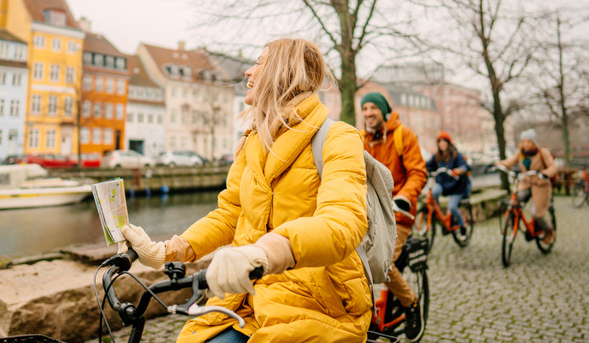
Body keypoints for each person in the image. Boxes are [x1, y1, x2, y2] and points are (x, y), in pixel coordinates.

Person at [122, 38, 371, 342]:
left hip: (315, 301)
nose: (248, 73)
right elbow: (230, 214)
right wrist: (164, 251)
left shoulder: (338, 137)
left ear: (284, 71)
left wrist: (264, 252)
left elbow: (343, 223)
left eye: (259, 62)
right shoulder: (253, 140)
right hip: (247, 297)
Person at [360, 92, 427, 342]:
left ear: (384, 111)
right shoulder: (361, 138)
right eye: (364, 108)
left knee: (383, 264)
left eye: (373, 108)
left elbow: (418, 172)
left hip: (399, 213)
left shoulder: (403, 135)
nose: (368, 113)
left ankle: (411, 303)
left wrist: (405, 197)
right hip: (370, 212)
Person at [495, 128, 557, 244]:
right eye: (523, 141)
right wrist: (498, 164)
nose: (525, 144)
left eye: (528, 141)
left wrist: (545, 173)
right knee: (514, 201)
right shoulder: (521, 153)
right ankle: (511, 223)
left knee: (536, 213)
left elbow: (553, 167)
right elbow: (510, 162)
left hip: (541, 185)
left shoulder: (542, 153)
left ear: (534, 142)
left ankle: (549, 230)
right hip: (526, 183)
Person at [425, 131, 471, 236]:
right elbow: (428, 165)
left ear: (448, 143)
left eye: (444, 142)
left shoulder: (455, 154)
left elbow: (464, 166)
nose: (442, 144)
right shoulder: (437, 156)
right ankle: (440, 216)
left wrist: (457, 171)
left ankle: (463, 225)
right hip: (443, 185)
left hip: (457, 186)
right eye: (440, 142)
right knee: (434, 192)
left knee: (452, 206)